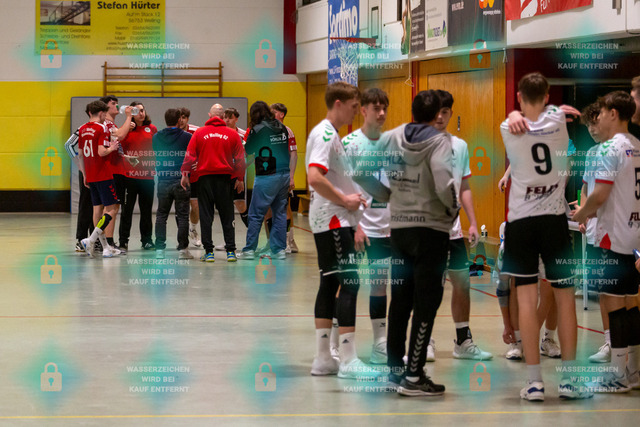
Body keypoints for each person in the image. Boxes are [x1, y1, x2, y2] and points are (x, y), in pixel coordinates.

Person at [356, 90, 459, 396]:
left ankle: (394, 371)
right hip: (431, 230)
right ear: (436, 113)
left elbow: (360, 171)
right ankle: (414, 376)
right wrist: (453, 208)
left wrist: (386, 195)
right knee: (426, 302)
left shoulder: (391, 137)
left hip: (399, 229)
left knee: (400, 299)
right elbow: (443, 181)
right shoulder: (440, 141)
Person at [500, 72, 591, 401]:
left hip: (521, 223)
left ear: (519, 98)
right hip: (554, 221)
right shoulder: (559, 122)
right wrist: (553, 110)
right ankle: (569, 382)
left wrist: (515, 113)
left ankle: (535, 383)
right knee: (565, 299)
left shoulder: (508, 128)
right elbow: (554, 111)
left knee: (527, 300)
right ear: (548, 95)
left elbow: (519, 118)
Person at [306, 82, 378, 380]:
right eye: (353, 106)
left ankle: (324, 358)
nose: (355, 112)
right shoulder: (325, 134)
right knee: (350, 283)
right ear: (338, 103)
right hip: (333, 219)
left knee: (329, 283)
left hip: (335, 219)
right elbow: (314, 177)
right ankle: (348, 359)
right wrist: (345, 200)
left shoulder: (332, 135)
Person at [573, 90, 640, 393]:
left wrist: (581, 213)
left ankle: (617, 376)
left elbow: (598, 195)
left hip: (612, 237)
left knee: (615, 306)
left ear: (613, 114)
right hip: (633, 236)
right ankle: (634, 371)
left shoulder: (609, 149)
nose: (597, 117)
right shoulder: (636, 144)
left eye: (601, 112)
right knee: (629, 304)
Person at [431, 90, 492, 362]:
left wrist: (473, 222)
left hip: (453, 231)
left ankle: (463, 340)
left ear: (451, 114)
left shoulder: (461, 146)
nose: (440, 117)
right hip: (427, 231)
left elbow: (464, 185)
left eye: (445, 112)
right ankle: (425, 340)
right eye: (436, 112)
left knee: (462, 282)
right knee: (429, 286)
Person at [341, 88, 391, 364]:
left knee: (379, 284)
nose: (381, 113)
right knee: (346, 284)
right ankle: (339, 345)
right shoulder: (349, 144)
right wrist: (356, 225)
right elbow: (341, 187)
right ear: (363, 110)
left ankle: (380, 344)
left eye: (384, 108)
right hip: (355, 226)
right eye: (375, 108)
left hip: (384, 227)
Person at [180, 104, 245, 262]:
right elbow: (240, 159)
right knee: (227, 215)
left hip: (205, 180)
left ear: (210, 115)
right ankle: (231, 251)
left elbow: (189, 155)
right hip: (225, 180)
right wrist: (240, 178)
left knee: (206, 216)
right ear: (223, 117)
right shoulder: (232, 134)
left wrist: (185, 174)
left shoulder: (199, 132)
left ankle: (209, 252)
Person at [238, 102, 291, 260]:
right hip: (284, 174)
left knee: (256, 214)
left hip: (267, 175)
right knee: (279, 213)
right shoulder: (282, 127)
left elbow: (249, 150)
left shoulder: (258, 129)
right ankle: (279, 250)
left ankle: (249, 250)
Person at [77, 100, 121, 258]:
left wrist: (84, 174)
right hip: (103, 173)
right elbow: (102, 152)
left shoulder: (82, 128)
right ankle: (90, 240)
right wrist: (112, 148)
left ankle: (105, 247)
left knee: (97, 210)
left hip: (91, 174)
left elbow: (80, 154)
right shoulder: (101, 128)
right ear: (102, 113)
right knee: (111, 209)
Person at [153, 108, 193, 260]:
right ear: (178, 120)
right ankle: (183, 250)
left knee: (161, 215)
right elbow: (191, 157)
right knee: (182, 216)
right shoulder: (187, 137)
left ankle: (159, 249)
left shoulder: (156, 137)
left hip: (163, 179)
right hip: (181, 180)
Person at [118, 102, 157, 251]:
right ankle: (123, 242)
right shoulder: (125, 130)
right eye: (137, 111)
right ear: (131, 114)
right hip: (129, 177)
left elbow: (157, 148)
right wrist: (127, 129)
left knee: (146, 211)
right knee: (126, 211)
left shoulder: (152, 129)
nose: (141, 113)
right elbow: (118, 149)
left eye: (142, 110)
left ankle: (147, 241)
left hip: (147, 176)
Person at [99, 95, 133, 252]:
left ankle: (103, 240)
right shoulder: (106, 124)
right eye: (113, 104)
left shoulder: (111, 124)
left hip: (116, 169)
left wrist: (124, 156)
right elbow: (119, 135)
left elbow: (116, 140)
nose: (117, 106)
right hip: (111, 170)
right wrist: (128, 117)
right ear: (105, 107)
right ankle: (107, 241)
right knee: (110, 207)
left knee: (112, 207)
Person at [64, 105, 93, 252]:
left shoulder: (107, 128)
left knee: (99, 206)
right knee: (86, 204)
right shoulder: (83, 128)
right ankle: (81, 239)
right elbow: (68, 145)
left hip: (100, 171)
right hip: (87, 170)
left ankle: (95, 239)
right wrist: (79, 165)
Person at [179, 107, 202, 248]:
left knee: (195, 205)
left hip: (194, 175)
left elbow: (204, 149)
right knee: (181, 207)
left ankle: (193, 230)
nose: (181, 120)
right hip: (177, 175)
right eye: (179, 117)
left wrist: (199, 162)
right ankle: (182, 237)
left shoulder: (196, 131)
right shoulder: (172, 132)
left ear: (187, 119)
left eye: (184, 117)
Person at [223, 107, 249, 229]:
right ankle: (228, 236)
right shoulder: (220, 133)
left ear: (236, 119)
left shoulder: (243, 135)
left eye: (230, 118)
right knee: (225, 206)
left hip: (238, 174)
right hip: (223, 174)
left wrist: (241, 170)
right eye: (225, 117)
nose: (227, 120)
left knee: (240, 204)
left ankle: (251, 231)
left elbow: (250, 155)